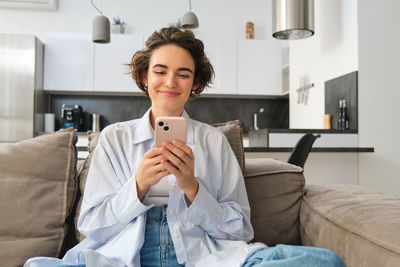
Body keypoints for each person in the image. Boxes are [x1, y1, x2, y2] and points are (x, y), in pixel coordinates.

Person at [25, 27, 346, 267]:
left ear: (195, 83)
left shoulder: (212, 142)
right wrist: (138, 186)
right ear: (144, 77)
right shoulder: (114, 139)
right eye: (160, 71)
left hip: (202, 256)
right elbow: (90, 226)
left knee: (326, 262)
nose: (170, 82)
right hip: (124, 257)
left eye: (183, 74)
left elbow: (240, 230)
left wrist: (192, 187)